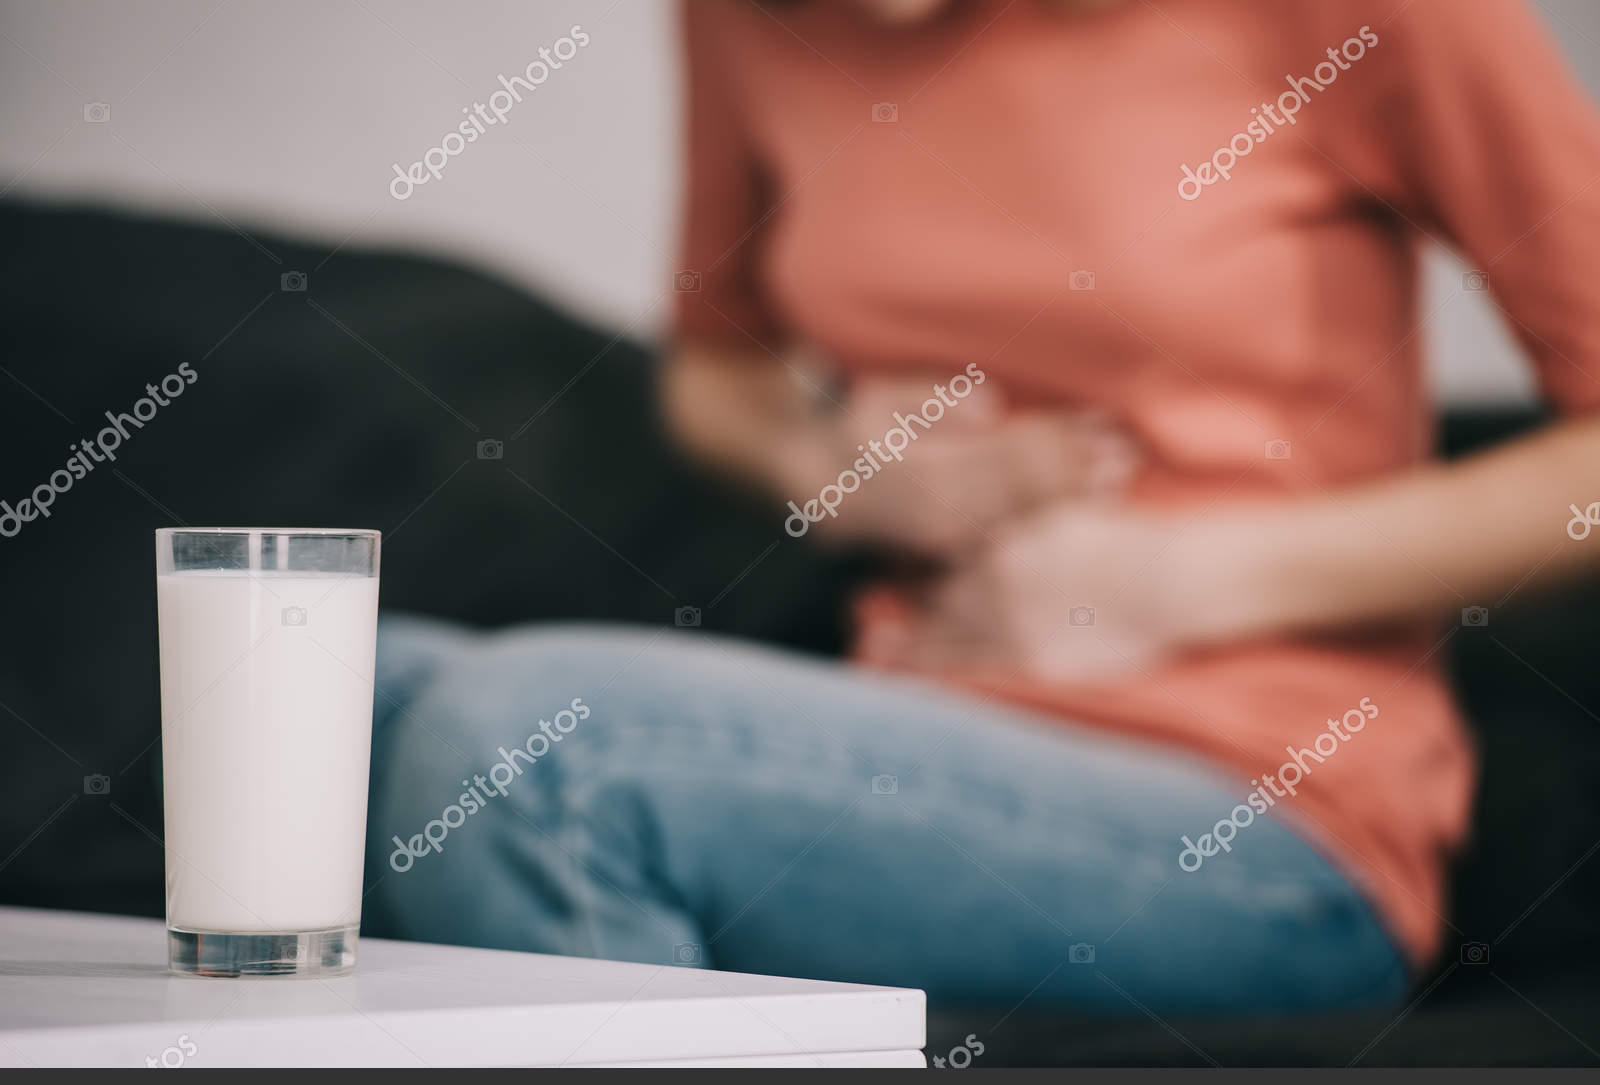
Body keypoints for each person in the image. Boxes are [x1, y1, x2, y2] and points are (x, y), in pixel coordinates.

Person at [364, 0, 1600, 1015]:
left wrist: (1179, 581)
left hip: (1259, 817)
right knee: (342, 697)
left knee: (531, 759)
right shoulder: (744, 17)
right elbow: (718, 368)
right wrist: (829, 465)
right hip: (917, 731)